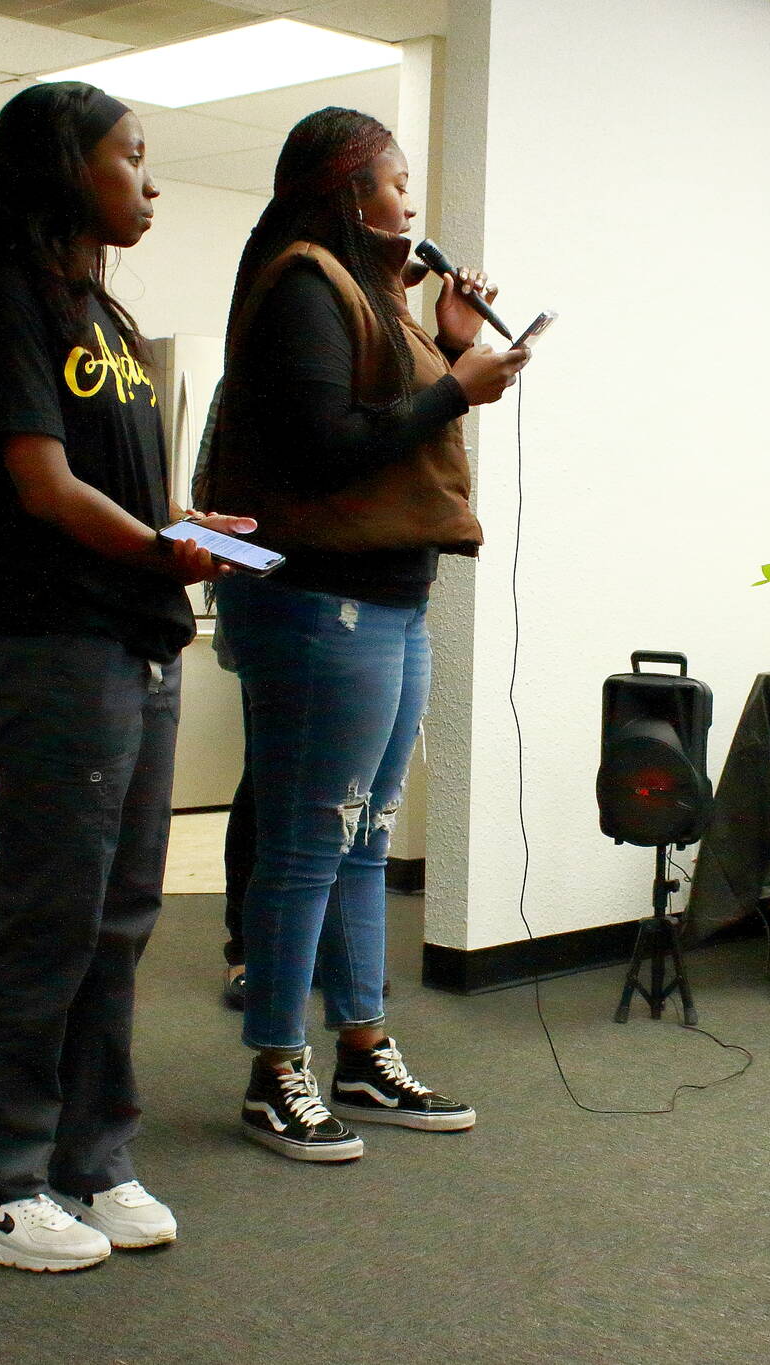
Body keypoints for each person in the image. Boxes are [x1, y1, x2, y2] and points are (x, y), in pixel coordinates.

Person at [0, 82, 254, 1271]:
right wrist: (159, 544)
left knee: (121, 917)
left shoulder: (108, 322)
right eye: (132, 157)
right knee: (49, 912)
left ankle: (90, 1158)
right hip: (53, 636)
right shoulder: (5, 304)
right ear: (69, 168)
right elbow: (44, 490)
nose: (150, 181)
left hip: (135, 634)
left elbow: (117, 489)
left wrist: (188, 527)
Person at [202, 107, 528, 1160]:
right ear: (347, 190)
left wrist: (456, 346)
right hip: (316, 598)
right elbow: (325, 448)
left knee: (365, 834)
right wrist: (454, 390)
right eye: (392, 182)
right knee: (306, 843)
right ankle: (274, 1070)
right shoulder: (304, 280)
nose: (408, 200)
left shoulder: (375, 294)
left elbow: (383, 413)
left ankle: (361, 1047)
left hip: (392, 593)